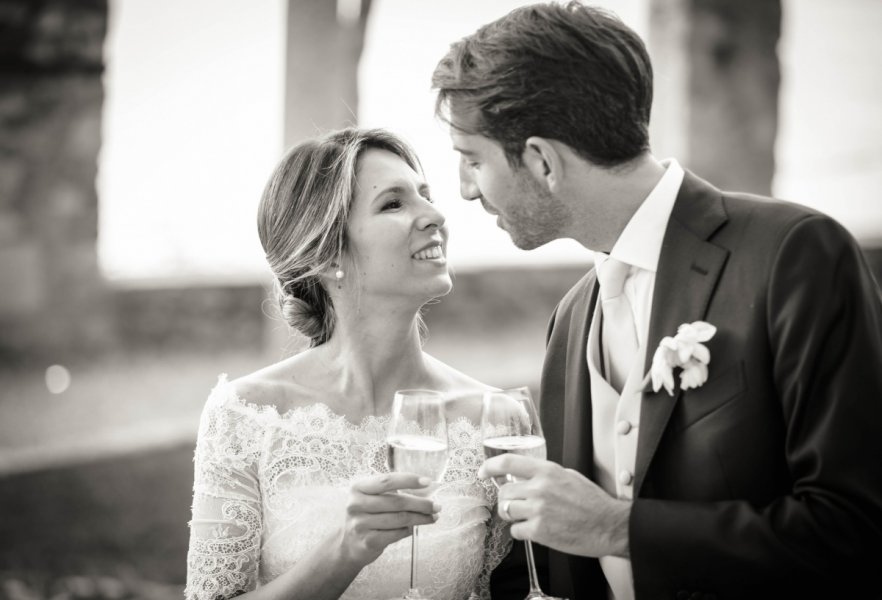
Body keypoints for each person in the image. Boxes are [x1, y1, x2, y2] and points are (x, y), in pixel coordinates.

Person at [432, 2, 882, 599]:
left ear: (542, 161)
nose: (464, 190)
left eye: (472, 160)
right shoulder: (571, 320)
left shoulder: (794, 254)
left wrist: (617, 527)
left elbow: (857, 530)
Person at [184, 127, 509, 600]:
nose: (435, 215)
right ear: (328, 252)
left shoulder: (488, 418)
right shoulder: (245, 415)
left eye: (425, 196)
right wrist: (344, 549)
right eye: (393, 204)